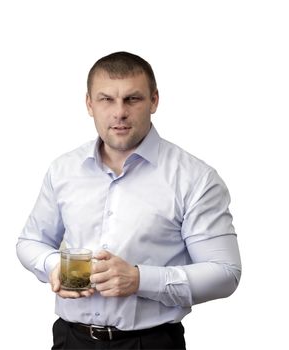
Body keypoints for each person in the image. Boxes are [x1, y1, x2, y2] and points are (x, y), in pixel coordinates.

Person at [16, 51, 241, 350]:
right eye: (106, 99)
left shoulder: (195, 178)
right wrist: (54, 265)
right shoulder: (63, 170)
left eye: (132, 99)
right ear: (89, 104)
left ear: (154, 101)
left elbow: (225, 273)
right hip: (70, 340)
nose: (119, 112)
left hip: (150, 343)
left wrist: (139, 280)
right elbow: (30, 241)